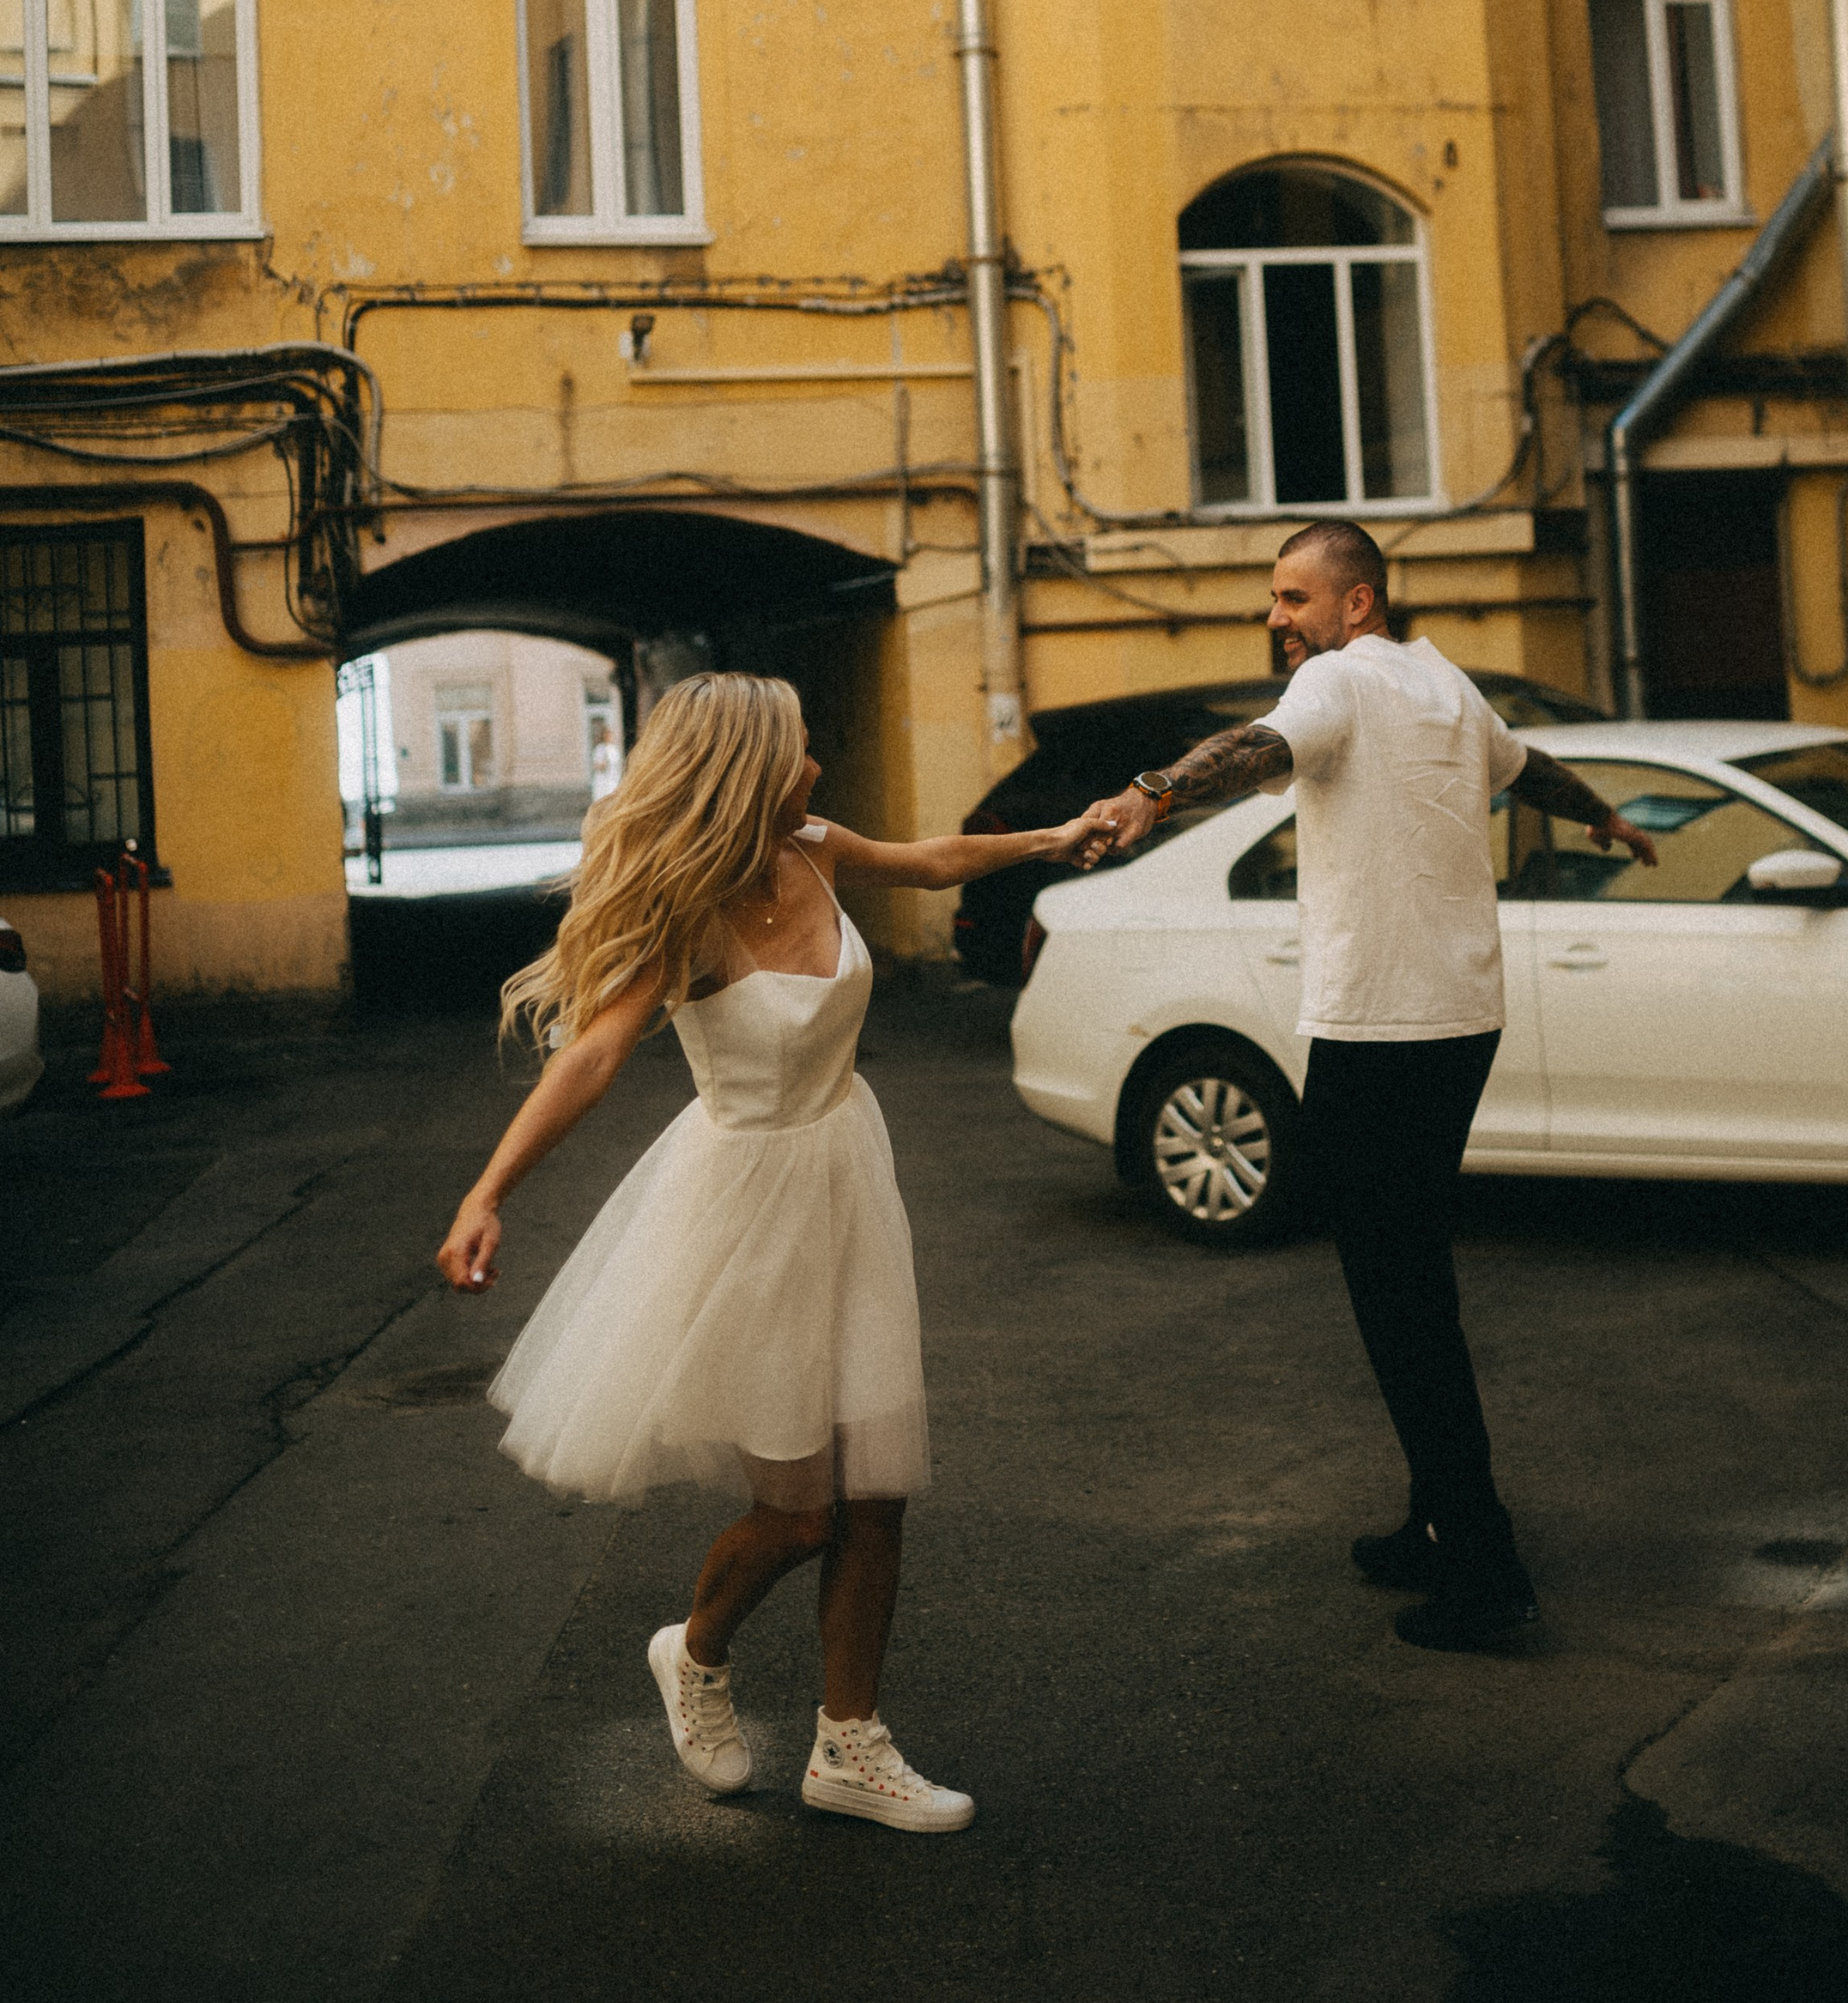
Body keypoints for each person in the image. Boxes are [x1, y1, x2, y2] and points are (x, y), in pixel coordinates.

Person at [435, 670, 1109, 1830]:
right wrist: (488, 1191)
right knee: (800, 1513)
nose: (815, 762)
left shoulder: (814, 847)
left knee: (879, 1491)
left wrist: (1053, 838)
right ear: (746, 765)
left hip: (847, 1171)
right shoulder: (685, 912)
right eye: (798, 746)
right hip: (746, 1213)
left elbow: (931, 861)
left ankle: (850, 1747)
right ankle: (695, 1652)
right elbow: (591, 1054)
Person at [1086, 522, 1654, 1653]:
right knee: (1414, 1277)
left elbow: (1255, 746)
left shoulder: (1338, 683)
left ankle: (1485, 1568)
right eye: (1273, 599)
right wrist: (1599, 812)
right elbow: (1526, 767)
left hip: (1381, 1029)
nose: (1276, 618)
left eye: (1293, 597)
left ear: (1358, 603)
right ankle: (1436, 1523)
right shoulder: (1444, 686)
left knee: (1401, 1304)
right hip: (1459, 1020)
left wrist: (1154, 789)